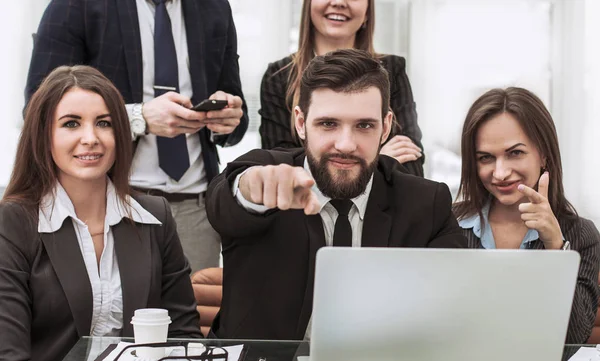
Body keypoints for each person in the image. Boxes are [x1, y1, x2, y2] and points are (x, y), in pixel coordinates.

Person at [206, 49, 467, 340]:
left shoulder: (425, 204)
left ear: (386, 128)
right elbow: (225, 204)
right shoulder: (264, 174)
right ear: (301, 123)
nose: (345, 144)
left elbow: (456, 305)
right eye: (328, 124)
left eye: (364, 125)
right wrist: (252, 191)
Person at [25, 0, 249, 273]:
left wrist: (226, 118)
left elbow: (236, 111)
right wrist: (138, 118)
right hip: (110, 202)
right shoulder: (75, 6)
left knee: (192, 312)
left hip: (195, 207)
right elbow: (39, 109)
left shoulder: (214, 7)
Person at [0, 66, 202, 361]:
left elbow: (184, 336)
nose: (91, 138)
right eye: (71, 124)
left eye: (104, 124)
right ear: (43, 135)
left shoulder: (155, 217)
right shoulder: (14, 221)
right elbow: (8, 351)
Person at [454, 87, 600, 344]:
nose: (499, 173)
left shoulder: (582, 234)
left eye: (515, 153)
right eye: (486, 158)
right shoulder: (448, 222)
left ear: (543, 154)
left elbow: (573, 337)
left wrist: (556, 247)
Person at [259, 0, 424, 177]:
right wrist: (378, 160)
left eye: (365, 125)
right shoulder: (279, 76)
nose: (338, 2)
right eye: (328, 124)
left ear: (368, 10)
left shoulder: (393, 70)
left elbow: (410, 163)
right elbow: (281, 169)